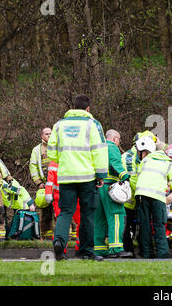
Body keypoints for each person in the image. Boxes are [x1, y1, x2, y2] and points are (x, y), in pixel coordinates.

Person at [47, 94, 108, 261]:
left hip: (66, 176)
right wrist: (100, 174)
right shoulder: (92, 124)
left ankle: (59, 242)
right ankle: (87, 252)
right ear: (88, 109)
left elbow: (51, 151)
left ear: (73, 108)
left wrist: (65, 161)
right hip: (87, 177)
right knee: (88, 214)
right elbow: (100, 150)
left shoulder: (59, 125)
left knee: (65, 212)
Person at [135, 135, 172, 259]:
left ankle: (146, 253)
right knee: (159, 224)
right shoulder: (168, 162)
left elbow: (139, 176)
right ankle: (162, 253)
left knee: (145, 225)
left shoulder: (146, 160)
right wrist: (170, 186)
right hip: (157, 196)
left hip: (141, 194)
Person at [94, 129, 132, 258]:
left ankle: (98, 248)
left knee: (100, 219)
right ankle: (116, 248)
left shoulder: (97, 147)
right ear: (115, 139)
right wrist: (125, 177)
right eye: (119, 140)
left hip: (97, 187)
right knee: (116, 216)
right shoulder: (112, 147)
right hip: (110, 188)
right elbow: (115, 163)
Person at [121, 130, 160, 257]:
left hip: (137, 197)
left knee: (139, 226)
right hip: (131, 198)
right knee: (128, 227)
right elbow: (133, 179)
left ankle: (139, 250)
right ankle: (130, 250)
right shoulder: (130, 158)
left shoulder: (141, 154)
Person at [45, 160, 81, 254]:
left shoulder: (54, 163)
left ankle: (61, 247)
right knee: (81, 221)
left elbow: (50, 181)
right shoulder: (75, 157)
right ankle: (80, 246)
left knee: (61, 222)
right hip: (75, 195)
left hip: (59, 197)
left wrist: (48, 193)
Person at [29, 127, 55, 240]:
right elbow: (33, 166)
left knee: (62, 209)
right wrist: (38, 182)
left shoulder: (57, 146)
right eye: (46, 134)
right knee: (46, 210)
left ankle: (69, 234)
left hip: (58, 182)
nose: (49, 135)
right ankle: (46, 234)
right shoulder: (37, 149)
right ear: (41, 136)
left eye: (50, 133)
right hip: (45, 184)